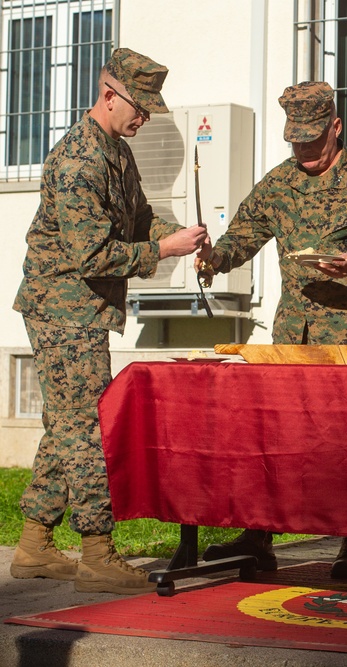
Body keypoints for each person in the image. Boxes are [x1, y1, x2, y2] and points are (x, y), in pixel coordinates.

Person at [197, 81, 347, 579]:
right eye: (296, 142)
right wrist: (212, 258)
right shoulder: (279, 183)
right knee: (277, 435)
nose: (305, 152)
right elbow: (243, 236)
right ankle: (259, 537)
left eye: (314, 141)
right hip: (297, 331)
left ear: (336, 128)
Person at [10, 48, 208, 595]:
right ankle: (97, 550)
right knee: (86, 428)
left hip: (82, 309)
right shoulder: (78, 160)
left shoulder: (116, 151)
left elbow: (141, 217)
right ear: (108, 94)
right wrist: (164, 250)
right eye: (139, 107)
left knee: (67, 425)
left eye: (149, 109)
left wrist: (181, 236)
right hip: (61, 308)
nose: (144, 118)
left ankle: (33, 547)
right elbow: (93, 254)